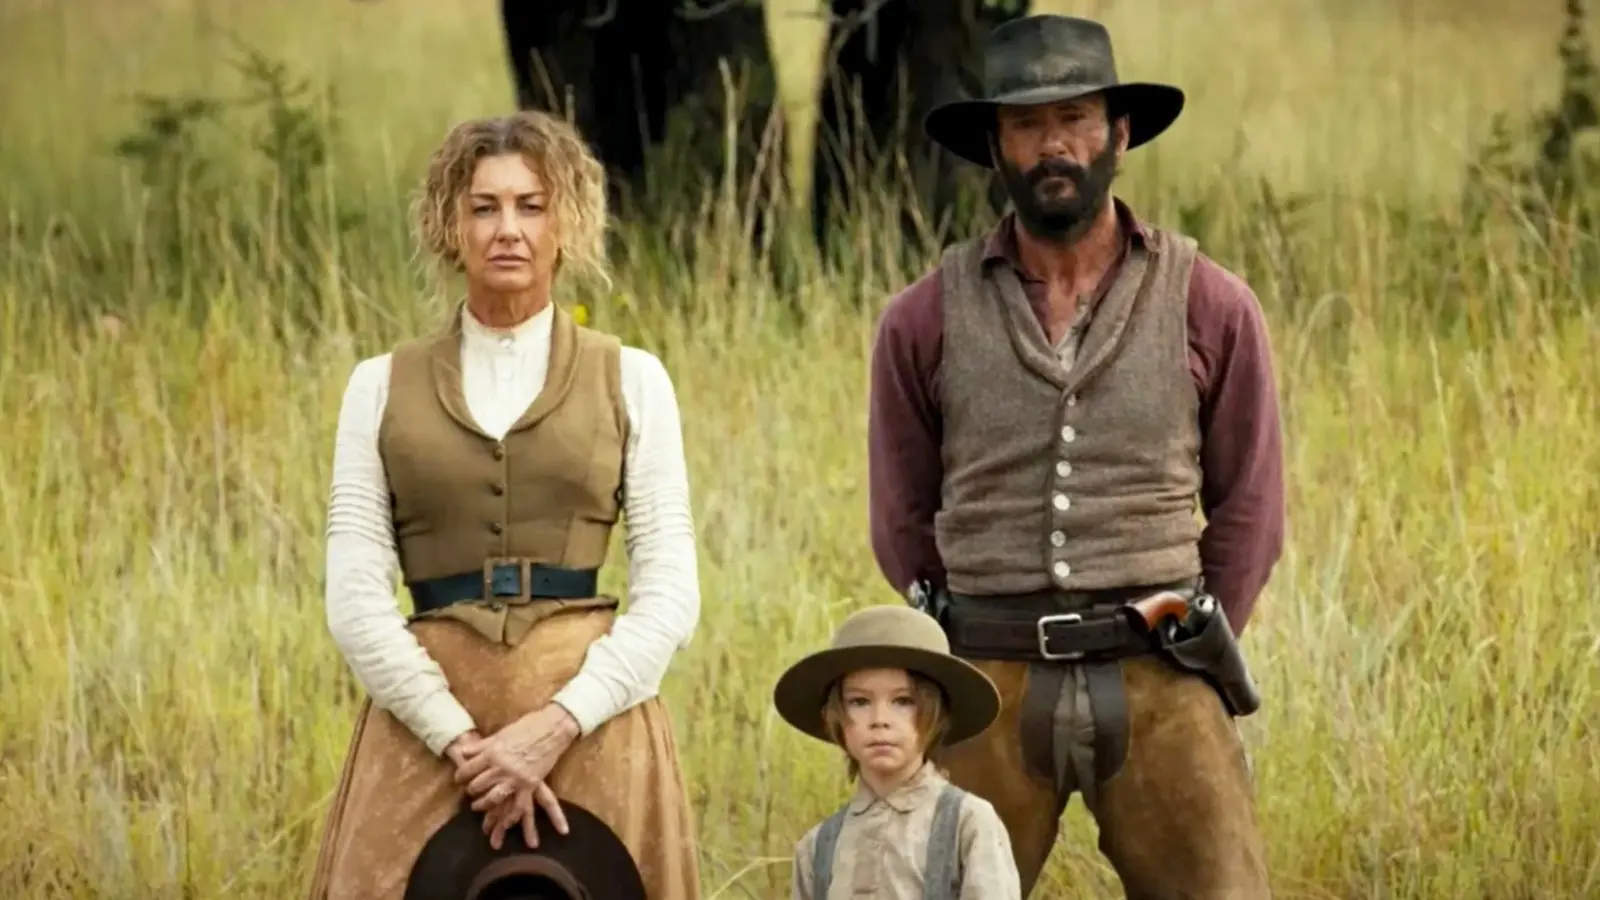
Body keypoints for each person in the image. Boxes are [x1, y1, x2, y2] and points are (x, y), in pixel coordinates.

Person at [866, 14, 1286, 900]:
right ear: (995, 145)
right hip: (986, 677)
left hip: (1161, 675)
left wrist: (1196, 636)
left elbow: (1251, 507)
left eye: (1078, 119)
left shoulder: (1211, 303)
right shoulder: (920, 318)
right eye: (1026, 124)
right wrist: (965, 633)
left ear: (1120, 133)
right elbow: (901, 518)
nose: (1054, 144)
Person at [305, 110, 703, 900]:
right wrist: (459, 740)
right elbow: (354, 598)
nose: (508, 229)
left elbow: (671, 595)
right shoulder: (378, 385)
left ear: (569, 223)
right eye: (484, 206)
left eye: (532, 205)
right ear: (450, 225)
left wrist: (557, 724)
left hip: (593, 723)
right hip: (424, 727)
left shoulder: (635, 379)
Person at [773, 604, 1023, 899]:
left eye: (903, 701)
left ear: (935, 714)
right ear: (835, 717)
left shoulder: (967, 823)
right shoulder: (817, 848)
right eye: (859, 702)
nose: (880, 719)